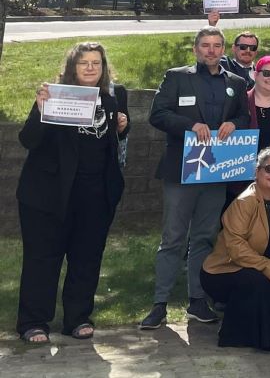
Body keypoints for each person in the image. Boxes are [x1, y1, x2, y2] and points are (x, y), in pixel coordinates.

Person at [16, 42, 129, 343]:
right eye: (84, 63)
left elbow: (107, 141)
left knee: (86, 259)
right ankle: (33, 322)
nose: (91, 68)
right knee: (43, 259)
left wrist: (122, 128)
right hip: (48, 196)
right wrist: (41, 110)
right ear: (72, 68)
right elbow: (28, 140)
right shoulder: (54, 96)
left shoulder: (111, 99)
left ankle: (77, 319)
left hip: (94, 196)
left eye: (96, 62)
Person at [141, 28, 250, 330]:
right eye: (205, 45)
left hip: (216, 171)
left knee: (204, 237)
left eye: (217, 46)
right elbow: (158, 114)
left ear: (223, 50)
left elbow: (245, 118)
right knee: (173, 237)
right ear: (195, 49)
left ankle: (197, 301)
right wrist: (190, 125)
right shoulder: (177, 76)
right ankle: (159, 304)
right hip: (182, 169)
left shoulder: (236, 83)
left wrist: (233, 124)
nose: (211, 51)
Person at [200, 146, 270, 351]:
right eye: (269, 169)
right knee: (260, 283)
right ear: (257, 171)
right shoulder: (245, 202)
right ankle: (243, 337)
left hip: (259, 265)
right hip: (224, 270)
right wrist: (266, 265)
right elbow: (236, 248)